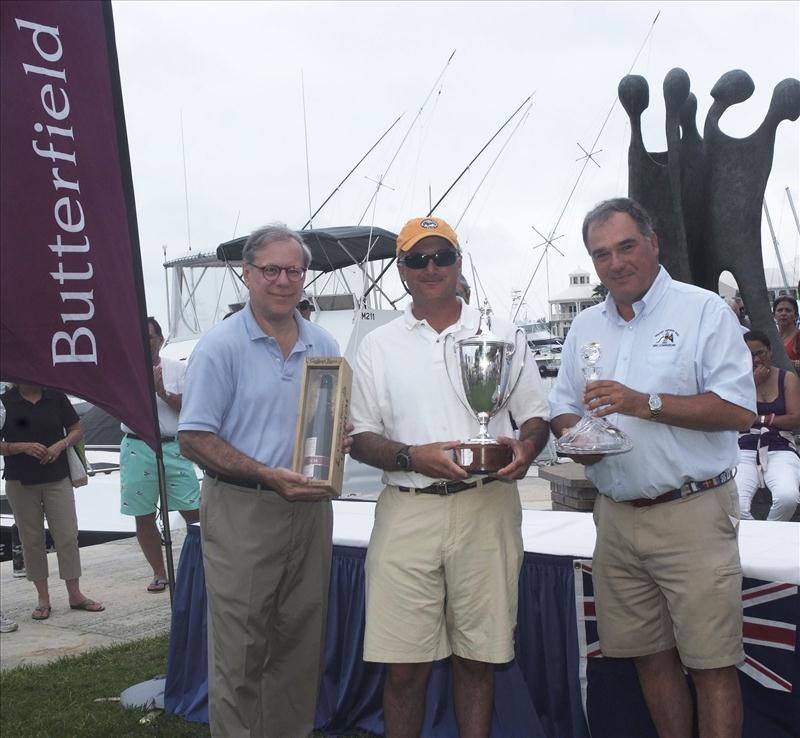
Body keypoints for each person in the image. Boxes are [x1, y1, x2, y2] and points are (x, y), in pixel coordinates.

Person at [549, 198, 755, 738]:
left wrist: (645, 403)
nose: (614, 263)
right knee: (649, 657)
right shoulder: (585, 325)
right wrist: (578, 438)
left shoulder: (703, 310)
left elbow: (738, 409)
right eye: (600, 254)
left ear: (653, 242)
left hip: (693, 512)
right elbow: (561, 405)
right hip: (615, 517)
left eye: (625, 246)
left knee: (712, 667)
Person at [349, 216, 550, 738]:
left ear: (460, 263)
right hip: (408, 508)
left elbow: (535, 415)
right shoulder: (377, 345)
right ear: (401, 271)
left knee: (478, 659)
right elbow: (361, 436)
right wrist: (414, 456)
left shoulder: (502, 333)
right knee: (403, 667)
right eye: (417, 259)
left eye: (442, 256)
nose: (430, 268)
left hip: (488, 507)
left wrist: (526, 449)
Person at [179, 223, 347, 738]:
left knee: (299, 645)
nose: (282, 280)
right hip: (243, 509)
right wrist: (265, 474)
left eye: (293, 270)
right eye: (270, 269)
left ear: (304, 276)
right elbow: (194, 439)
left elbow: (332, 422)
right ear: (247, 275)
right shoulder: (220, 347)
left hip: (310, 509)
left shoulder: (324, 342)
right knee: (241, 651)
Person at [0, 383, 105, 620]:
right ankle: (43, 599)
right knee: (32, 540)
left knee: (67, 535)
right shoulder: (5, 402)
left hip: (57, 476)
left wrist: (61, 445)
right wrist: (21, 447)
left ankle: (75, 594)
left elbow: (76, 430)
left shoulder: (55, 396)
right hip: (20, 480)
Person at [119, 317, 200, 593]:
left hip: (172, 445)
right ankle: (158, 572)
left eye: (151, 337)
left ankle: (201, 566)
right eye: (140, 338)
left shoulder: (178, 369)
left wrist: (162, 392)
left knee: (193, 509)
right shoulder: (126, 371)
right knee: (142, 514)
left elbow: (190, 407)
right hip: (137, 445)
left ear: (161, 339)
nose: (146, 343)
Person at [737, 330, 800, 520]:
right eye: (749, 354)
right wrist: (752, 383)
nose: (756, 359)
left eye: (760, 353)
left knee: (788, 497)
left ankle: (768, 533)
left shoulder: (786, 378)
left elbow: (795, 418)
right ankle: (757, 542)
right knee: (736, 504)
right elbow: (736, 417)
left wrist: (760, 419)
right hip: (743, 447)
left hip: (780, 446)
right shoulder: (737, 381)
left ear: (770, 351)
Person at [773, 295, 800, 373]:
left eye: (788, 310)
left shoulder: (798, 337)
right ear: (774, 315)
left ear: (796, 316)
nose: (783, 313)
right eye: (780, 310)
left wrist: (791, 363)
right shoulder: (771, 338)